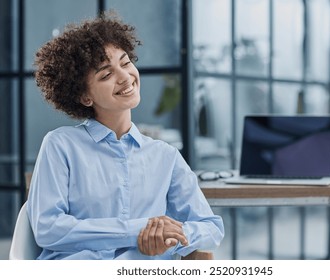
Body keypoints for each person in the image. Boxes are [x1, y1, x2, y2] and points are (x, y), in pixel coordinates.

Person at [27, 12, 224, 260]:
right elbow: (48, 229)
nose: (124, 76)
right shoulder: (60, 145)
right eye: (106, 75)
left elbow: (211, 228)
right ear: (84, 97)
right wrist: (136, 231)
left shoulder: (165, 156)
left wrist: (167, 236)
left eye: (126, 62)